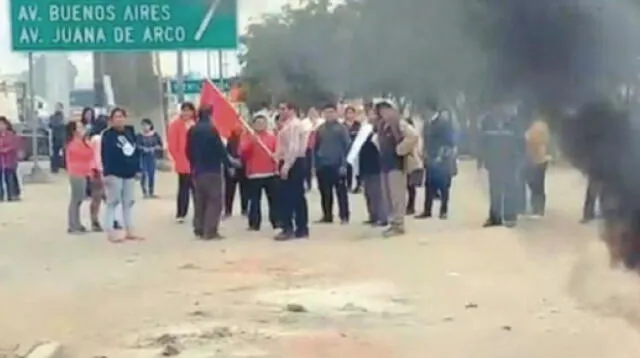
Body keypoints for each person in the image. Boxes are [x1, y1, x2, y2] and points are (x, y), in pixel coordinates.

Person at [186, 105, 237, 240]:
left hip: (198, 170)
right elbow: (220, 150)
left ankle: (199, 228)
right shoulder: (211, 130)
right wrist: (230, 164)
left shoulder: (192, 130)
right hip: (212, 169)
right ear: (210, 115)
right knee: (214, 201)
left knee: (200, 201)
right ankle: (210, 231)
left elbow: (188, 150)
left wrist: (193, 165)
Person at [375, 101, 419, 237]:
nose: (384, 113)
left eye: (387, 109)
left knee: (397, 196)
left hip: (397, 165)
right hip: (385, 164)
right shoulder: (382, 125)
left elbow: (413, 136)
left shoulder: (399, 123)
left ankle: (399, 224)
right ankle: (393, 223)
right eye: (381, 110)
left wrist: (400, 149)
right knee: (387, 196)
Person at [479, 104, 523, 228]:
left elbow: (520, 143)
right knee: (494, 190)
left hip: (510, 162)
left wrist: (519, 160)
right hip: (494, 162)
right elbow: (482, 141)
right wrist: (482, 159)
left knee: (510, 189)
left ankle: (510, 217)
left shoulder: (514, 123)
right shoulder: (487, 121)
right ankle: (495, 217)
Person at [101, 108, 142, 242]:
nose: (119, 119)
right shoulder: (108, 135)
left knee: (128, 202)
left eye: (121, 116)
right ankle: (110, 230)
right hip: (114, 172)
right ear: (111, 120)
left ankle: (130, 229)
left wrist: (137, 169)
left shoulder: (130, 132)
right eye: (116, 117)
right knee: (113, 201)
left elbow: (136, 152)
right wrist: (106, 173)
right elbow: (106, 155)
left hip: (129, 172)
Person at [273, 101, 310, 240]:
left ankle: (289, 228)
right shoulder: (287, 125)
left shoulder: (294, 125)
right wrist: (277, 155)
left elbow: (294, 147)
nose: (281, 112)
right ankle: (301, 228)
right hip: (291, 160)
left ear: (292, 110)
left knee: (289, 196)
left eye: (284, 109)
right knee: (296, 196)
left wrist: (287, 165)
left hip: (293, 162)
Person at [240, 113, 279, 231]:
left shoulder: (272, 137)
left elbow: (277, 151)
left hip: (270, 173)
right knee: (254, 200)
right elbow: (242, 152)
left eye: (263, 123)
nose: (260, 125)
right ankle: (254, 223)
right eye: (258, 123)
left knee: (274, 200)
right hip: (254, 174)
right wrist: (251, 141)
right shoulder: (248, 137)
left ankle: (277, 221)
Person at [314, 103, 351, 224]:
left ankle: (344, 216)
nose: (329, 115)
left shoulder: (341, 129)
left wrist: (344, 165)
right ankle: (327, 215)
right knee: (325, 192)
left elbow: (347, 147)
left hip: (337, 164)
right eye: (326, 112)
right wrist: (315, 164)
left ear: (336, 113)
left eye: (331, 112)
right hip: (323, 165)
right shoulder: (320, 129)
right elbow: (316, 147)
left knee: (341, 192)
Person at [416, 110, 456, 219]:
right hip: (429, 158)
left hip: (442, 159)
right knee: (429, 185)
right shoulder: (427, 124)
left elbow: (449, 142)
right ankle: (427, 210)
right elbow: (425, 140)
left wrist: (441, 156)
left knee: (444, 187)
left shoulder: (443, 123)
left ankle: (443, 211)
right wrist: (423, 152)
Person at [167, 102, 196, 223]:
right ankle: (181, 213)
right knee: (184, 188)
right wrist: (177, 158)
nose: (186, 113)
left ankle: (199, 212)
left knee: (197, 189)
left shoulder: (196, 124)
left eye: (189, 110)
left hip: (197, 161)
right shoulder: (175, 125)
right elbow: (172, 144)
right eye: (184, 110)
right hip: (183, 161)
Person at [64, 121, 95, 233]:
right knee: (76, 199)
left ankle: (76, 223)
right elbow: (83, 155)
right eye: (80, 127)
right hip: (76, 173)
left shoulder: (83, 142)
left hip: (83, 172)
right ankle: (73, 225)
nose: (82, 129)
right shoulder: (73, 143)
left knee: (79, 198)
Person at [359, 104, 387, 226]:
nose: (371, 116)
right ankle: (373, 215)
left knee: (378, 194)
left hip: (377, 165)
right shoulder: (365, 129)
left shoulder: (380, 129)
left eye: (373, 114)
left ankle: (382, 217)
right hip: (365, 164)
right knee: (368, 193)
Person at [524, 115, 550, 217]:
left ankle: (538, 209)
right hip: (536, 159)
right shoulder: (535, 127)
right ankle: (537, 208)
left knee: (537, 185)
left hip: (538, 160)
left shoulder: (538, 127)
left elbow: (534, 141)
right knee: (536, 185)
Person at [224, 128, 250, 216]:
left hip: (244, 166)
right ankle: (228, 210)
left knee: (245, 190)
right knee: (229, 190)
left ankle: (245, 209)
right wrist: (229, 166)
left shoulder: (248, 138)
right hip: (232, 167)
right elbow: (225, 154)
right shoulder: (229, 140)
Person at [137, 118, 163, 198]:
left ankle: (151, 192)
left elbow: (160, 145)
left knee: (151, 174)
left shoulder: (155, 135)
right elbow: (137, 146)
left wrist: (154, 148)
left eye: (146, 125)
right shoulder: (139, 135)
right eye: (143, 125)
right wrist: (143, 148)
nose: (145, 127)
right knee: (143, 174)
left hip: (152, 157)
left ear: (150, 125)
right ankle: (144, 192)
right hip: (143, 157)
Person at [404, 117, 423, 215]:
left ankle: (411, 206)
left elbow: (418, 149)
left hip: (413, 163)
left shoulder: (414, 136)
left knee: (411, 186)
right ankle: (409, 206)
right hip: (408, 163)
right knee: (408, 186)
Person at [0, 116, 19, 202]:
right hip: (1, 160)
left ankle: (11, 195)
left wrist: (4, 150)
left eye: (2, 124)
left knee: (9, 178)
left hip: (9, 160)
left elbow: (13, 146)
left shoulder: (10, 135)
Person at [344, 106, 362, 192]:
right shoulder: (343, 125)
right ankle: (348, 185)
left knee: (358, 168)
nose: (350, 115)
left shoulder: (358, 125)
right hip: (347, 150)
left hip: (357, 149)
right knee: (348, 167)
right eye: (348, 113)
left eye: (351, 113)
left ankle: (358, 185)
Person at [49, 102, 66, 174]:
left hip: (60, 137)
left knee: (59, 152)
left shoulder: (60, 116)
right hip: (56, 137)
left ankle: (57, 167)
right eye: (56, 107)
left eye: (58, 107)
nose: (56, 108)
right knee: (56, 153)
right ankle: (55, 167)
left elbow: (54, 124)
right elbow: (51, 125)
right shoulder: (55, 116)